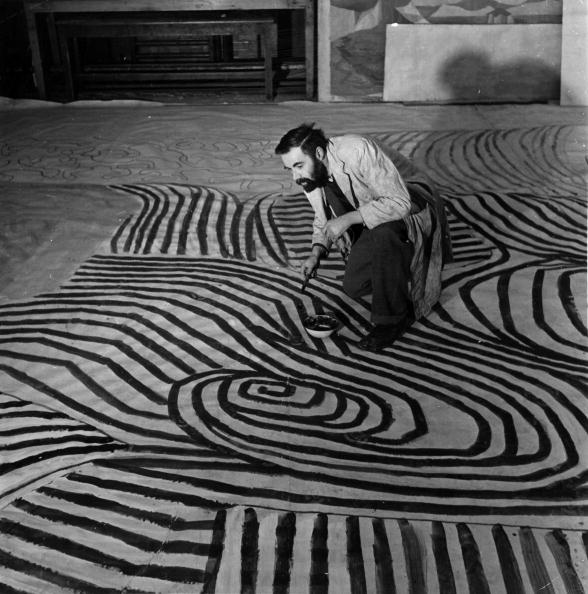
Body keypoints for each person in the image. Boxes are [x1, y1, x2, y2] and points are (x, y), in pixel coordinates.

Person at [275, 122, 452, 352]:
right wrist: (316, 252)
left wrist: (347, 220)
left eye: (298, 165)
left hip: (412, 199)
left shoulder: (358, 149)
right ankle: (397, 268)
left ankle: (391, 321)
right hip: (375, 211)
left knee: (384, 233)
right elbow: (323, 217)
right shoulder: (312, 173)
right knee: (354, 285)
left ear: (318, 153)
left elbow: (399, 203)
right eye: (290, 169)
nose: (295, 176)